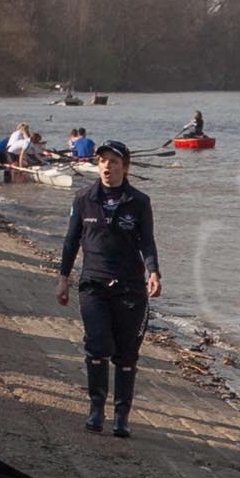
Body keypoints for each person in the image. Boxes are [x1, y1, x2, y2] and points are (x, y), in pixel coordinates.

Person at [56, 140, 160, 438]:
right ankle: (96, 408)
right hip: (94, 285)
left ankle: (121, 415)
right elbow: (70, 242)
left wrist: (153, 271)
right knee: (98, 346)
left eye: (114, 162)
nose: (107, 166)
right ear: (96, 164)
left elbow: (147, 242)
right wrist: (63, 278)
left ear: (125, 167)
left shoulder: (139, 202)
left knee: (126, 355)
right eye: (102, 160)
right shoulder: (84, 198)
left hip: (130, 289)